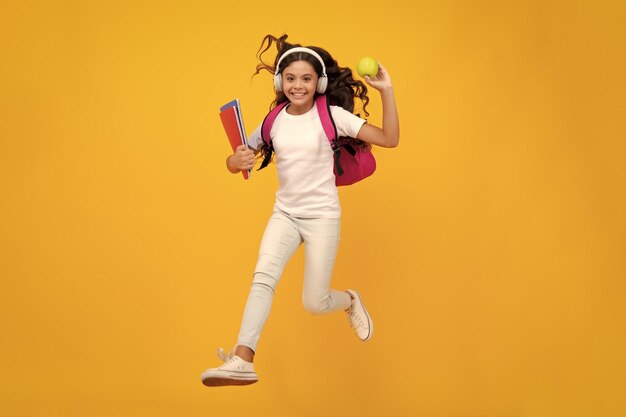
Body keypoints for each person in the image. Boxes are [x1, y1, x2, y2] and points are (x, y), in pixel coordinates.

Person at [201, 34, 399, 386]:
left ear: (319, 83)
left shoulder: (333, 116)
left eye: (306, 78)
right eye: (290, 78)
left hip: (322, 217)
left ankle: (350, 299)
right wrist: (234, 160)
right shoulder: (273, 120)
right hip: (285, 216)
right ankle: (243, 359)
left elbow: (389, 139)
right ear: (280, 82)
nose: (297, 85)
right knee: (263, 278)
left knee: (314, 302)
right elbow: (238, 160)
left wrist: (386, 90)